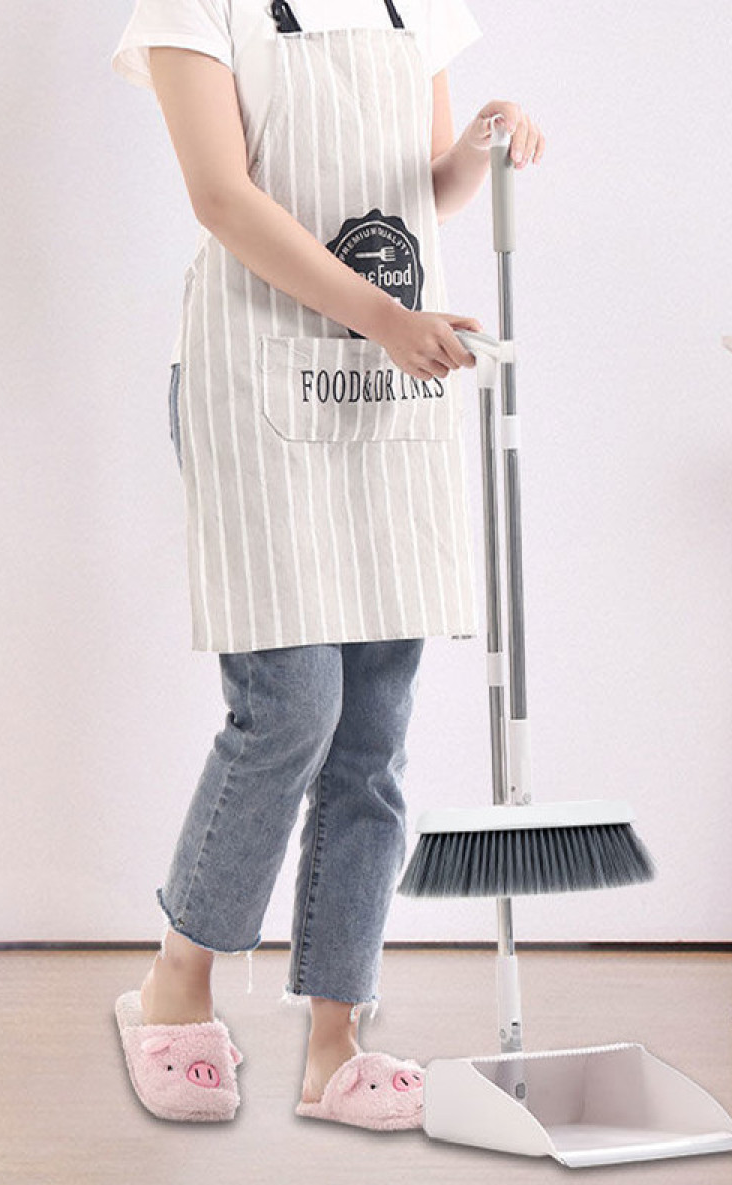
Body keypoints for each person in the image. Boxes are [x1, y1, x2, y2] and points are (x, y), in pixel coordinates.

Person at [110, 0, 544, 1128]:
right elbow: (221, 197)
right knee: (289, 710)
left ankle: (337, 1040)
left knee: (373, 734)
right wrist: (383, 317)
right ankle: (177, 983)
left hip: (387, 388)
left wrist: (481, 145)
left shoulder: (413, 6)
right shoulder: (196, 7)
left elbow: (423, 189)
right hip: (257, 377)